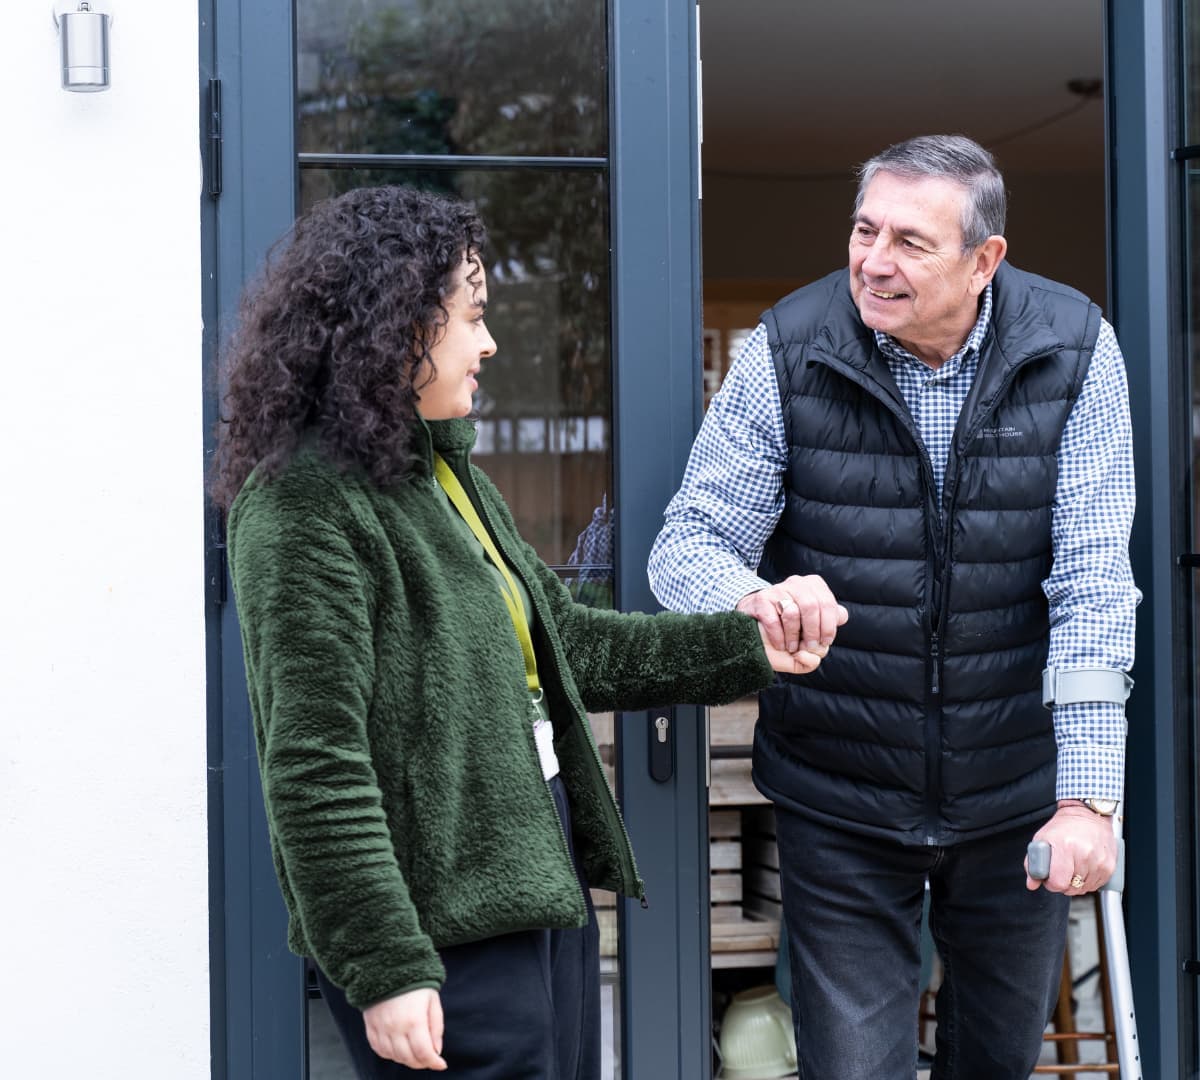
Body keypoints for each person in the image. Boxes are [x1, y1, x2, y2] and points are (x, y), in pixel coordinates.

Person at [209, 185, 822, 1079]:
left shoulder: (443, 476)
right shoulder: (300, 501)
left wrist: (745, 646)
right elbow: (315, 762)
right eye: (472, 316)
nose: (488, 343)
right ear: (395, 326)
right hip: (438, 927)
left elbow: (568, 646)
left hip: (538, 880)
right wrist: (384, 965)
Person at [648, 134, 1139, 1078]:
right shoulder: (787, 349)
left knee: (995, 1059)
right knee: (854, 1066)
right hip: (842, 788)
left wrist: (1086, 799)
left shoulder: (1075, 347)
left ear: (984, 259)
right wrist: (756, 596)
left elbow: (1091, 580)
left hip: (1015, 793)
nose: (873, 261)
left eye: (911, 242)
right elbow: (687, 545)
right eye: (863, 230)